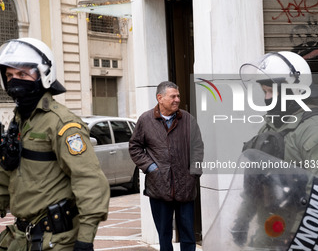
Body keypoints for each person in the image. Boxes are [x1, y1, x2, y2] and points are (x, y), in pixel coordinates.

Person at [0, 38, 110, 251]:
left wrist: (85, 240)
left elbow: (89, 181)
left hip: (55, 241)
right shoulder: (19, 122)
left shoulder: (62, 123)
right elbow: (7, 174)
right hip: (22, 237)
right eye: (9, 76)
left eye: (22, 74)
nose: (14, 81)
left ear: (43, 74)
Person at [231, 51, 318, 249]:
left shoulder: (317, 132)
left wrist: (297, 234)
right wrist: (242, 220)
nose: (267, 98)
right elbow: (254, 184)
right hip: (272, 232)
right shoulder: (270, 128)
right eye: (264, 92)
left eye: (271, 92)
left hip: (309, 239)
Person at [129, 81, 204, 251]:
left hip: (186, 185)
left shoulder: (188, 119)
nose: (177, 99)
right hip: (159, 187)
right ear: (160, 98)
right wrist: (150, 168)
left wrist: (194, 173)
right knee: (164, 234)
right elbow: (135, 147)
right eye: (173, 96)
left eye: (178, 96)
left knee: (188, 234)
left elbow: (198, 147)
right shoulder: (145, 120)